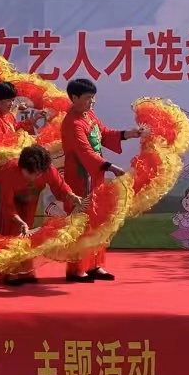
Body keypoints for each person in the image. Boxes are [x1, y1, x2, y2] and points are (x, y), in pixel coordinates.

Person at [59, 78, 143, 282]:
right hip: (80, 177)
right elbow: (85, 152)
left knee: (98, 220)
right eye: (88, 98)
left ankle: (95, 265)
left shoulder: (89, 115)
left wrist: (128, 134)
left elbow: (104, 134)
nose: (92, 102)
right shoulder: (72, 122)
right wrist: (111, 167)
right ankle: (76, 268)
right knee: (81, 221)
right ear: (74, 98)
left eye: (93, 98)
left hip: (95, 175)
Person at [0, 145, 84, 286]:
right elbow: (7, 206)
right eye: (30, 173)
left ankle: (26, 271)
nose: (34, 177)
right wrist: (19, 221)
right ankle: (11, 272)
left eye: (38, 174)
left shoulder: (47, 169)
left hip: (31, 198)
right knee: (13, 232)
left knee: (29, 233)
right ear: (21, 167)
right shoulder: (9, 171)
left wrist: (71, 196)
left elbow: (60, 187)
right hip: (12, 201)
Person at [0, 81, 44, 233]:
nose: (11, 104)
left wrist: (32, 120)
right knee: (0, 215)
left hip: (11, 171)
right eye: (8, 100)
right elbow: (0, 145)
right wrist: (23, 139)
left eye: (12, 100)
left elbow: (14, 128)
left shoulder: (7, 114)